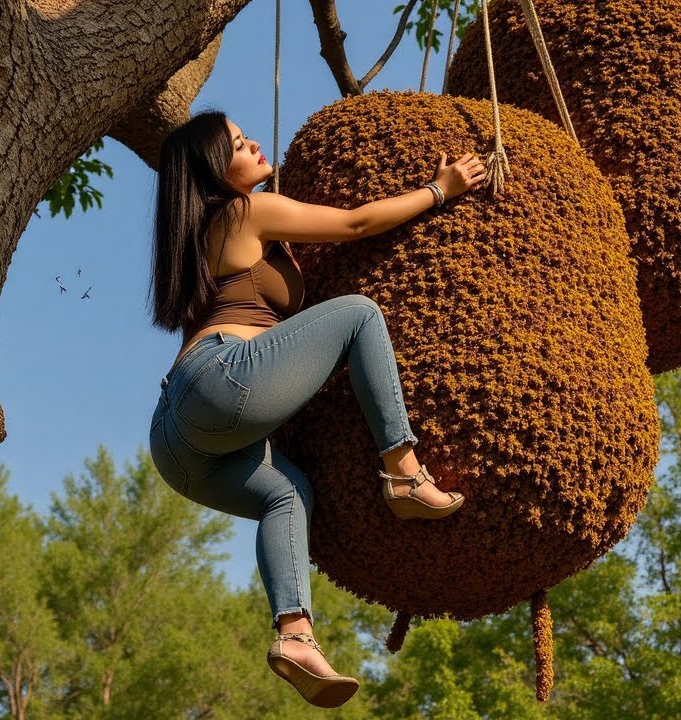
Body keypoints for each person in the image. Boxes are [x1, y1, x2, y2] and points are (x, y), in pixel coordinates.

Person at [146, 109, 486, 708]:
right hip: (225, 381)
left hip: (178, 442)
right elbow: (355, 224)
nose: (251, 140)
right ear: (212, 168)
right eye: (235, 142)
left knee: (287, 493)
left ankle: (295, 636)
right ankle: (404, 472)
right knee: (358, 313)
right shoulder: (246, 210)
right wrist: (441, 189)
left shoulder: (202, 233)